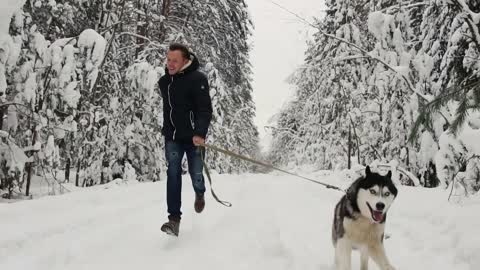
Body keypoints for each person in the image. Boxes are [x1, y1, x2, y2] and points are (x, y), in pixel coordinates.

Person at [158, 43, 213, 236]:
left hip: (193, 139)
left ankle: (200, 192)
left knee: (196, 172)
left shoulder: (198, 79)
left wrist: (199, 133)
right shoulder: (164, 82)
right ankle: (174, 220)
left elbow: (204, 109)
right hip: (172, 137)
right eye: (168, 59)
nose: (170, 64)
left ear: (185, 61)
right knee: (173, 173)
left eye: (175, 60)